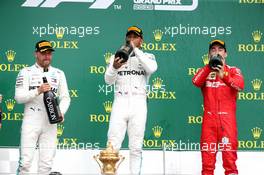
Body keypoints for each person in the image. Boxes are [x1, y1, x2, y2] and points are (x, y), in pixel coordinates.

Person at [105, 26, 157, 174]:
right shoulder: (115, 57)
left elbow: (152, 68)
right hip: (120, 102)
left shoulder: (148, 56)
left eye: (135, 37)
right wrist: (114, 67)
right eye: (129, 37)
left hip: (138, 104)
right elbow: (108, 81)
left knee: (136, 147)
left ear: (141, 40)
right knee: (112, 144)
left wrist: (136, 50)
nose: (131, 39)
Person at [15, 40, 71, 174]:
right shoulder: (25, 72)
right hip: (32, 119)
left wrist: (60, 112)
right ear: (36, 54)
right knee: (25, 163)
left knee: (46, 165)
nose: (47, 56)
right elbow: (18, 98)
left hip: (51, 121)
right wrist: (37, 91)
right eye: (43, 53)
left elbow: (65, 97)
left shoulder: (59, 73)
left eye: (49, 53)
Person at [192, 39, 244, 175]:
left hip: (228, 122)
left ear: (225, 53)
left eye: (220, 50)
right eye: (213, 50)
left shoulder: (233, 70)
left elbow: (240, 85)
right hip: (209, 122)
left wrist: (224, 76)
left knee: (230, 164)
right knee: (207, 165)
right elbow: (196, 82)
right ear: (209, 54)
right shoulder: (204, 71)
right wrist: (209, 67)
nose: (217, 52)